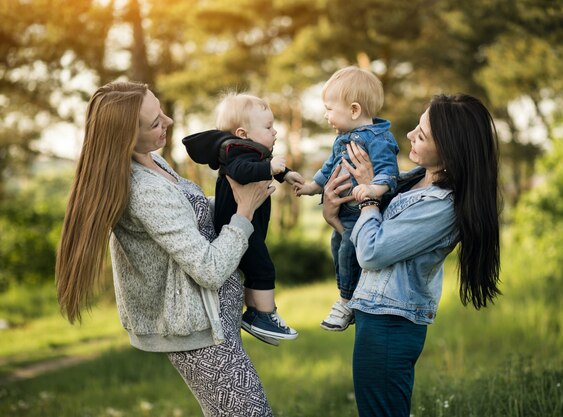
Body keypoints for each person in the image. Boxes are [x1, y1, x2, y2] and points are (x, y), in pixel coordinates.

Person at [55, 81, 276, 416]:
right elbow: (209, 269)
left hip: (217, 321)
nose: (169, 122)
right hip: (200, 334)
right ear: (126, 137)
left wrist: (245, 197)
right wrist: (244, 212)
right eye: (155, 122)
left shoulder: (151, 162)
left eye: (161, 112)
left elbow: (191, 216)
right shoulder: (144, 190)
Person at [321, 93, 501, 417]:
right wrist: (336, 218)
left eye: (422, 134)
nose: (409, 136)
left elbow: (373, 252)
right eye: (416, 127)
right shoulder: (413, 181)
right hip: (375, 319)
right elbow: (365, 240)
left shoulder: (441, 205)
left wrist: (367, 196)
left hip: (390, 325)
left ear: (449, 150)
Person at [182, 93, 304, 344]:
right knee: (263, 268)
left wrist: (286, 175)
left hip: (248, 225)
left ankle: (257, 314)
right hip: (237, 224)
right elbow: (243, 170)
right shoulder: (234, 151)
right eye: (268, 127)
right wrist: (271, 169)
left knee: (255, 266)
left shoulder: (248, 151)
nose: (275, 132)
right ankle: (262, 314)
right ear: (242, 133)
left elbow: (261, 165)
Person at [295, 66, 400, 331]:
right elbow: (329, 167)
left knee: (347, 251)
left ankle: (346, 301)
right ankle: (350, 294)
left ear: (354, 110)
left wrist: (374, 189)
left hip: (362, 211)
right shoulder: (341, 140)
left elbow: (389, 172)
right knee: (337, 248)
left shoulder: (379, 139)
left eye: (330, 109)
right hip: (345, 211)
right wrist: (312, 186)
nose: (326, 115)